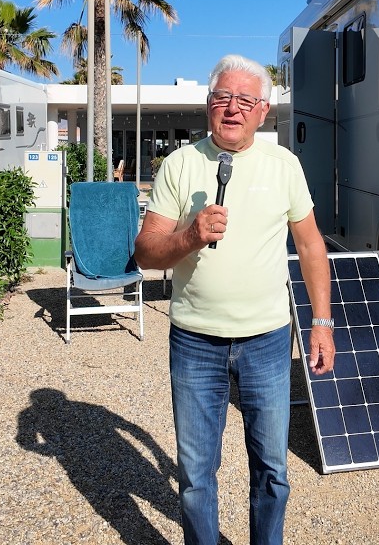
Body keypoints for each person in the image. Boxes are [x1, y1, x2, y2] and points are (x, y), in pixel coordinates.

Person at [135, 54, 333, 545]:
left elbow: (311, 246)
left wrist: (322, 323)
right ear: (208, 105)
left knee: (272, 471)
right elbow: (145, 253)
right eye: (223, 97)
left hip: (267, 340)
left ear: (263, 110)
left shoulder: (284, 165)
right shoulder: (180, 165)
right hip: (195, 342)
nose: (232, 108)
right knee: (196, 475)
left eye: (245, 100)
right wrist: (190, 237)